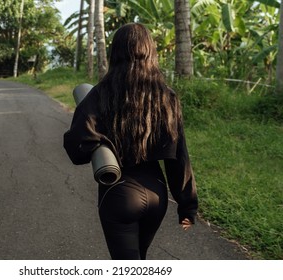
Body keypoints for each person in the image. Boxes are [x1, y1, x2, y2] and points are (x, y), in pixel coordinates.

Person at [63, 23, 198, 260]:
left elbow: (76, 144)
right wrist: (187, 206)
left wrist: (102, 142)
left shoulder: (101, 92)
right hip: (157, 194)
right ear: (150, 51)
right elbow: (180, 156)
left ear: (116, 52)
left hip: (119, 192)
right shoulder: (167, 96)